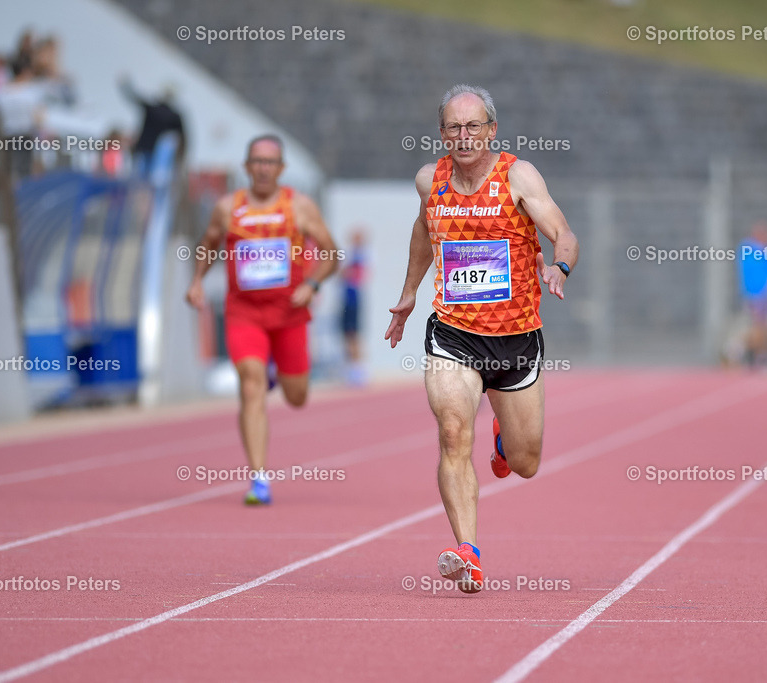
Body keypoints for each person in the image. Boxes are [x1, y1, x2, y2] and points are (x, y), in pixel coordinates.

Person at [385, 84, 579, 593]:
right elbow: (424, 235)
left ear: (492, 129)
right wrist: (408, 295)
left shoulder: (518, 175)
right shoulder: (430, 180)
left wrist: (558, 267)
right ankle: (467, 552)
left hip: (516, 338)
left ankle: (503, 435)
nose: (463, 135)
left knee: (525, 462)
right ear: (442, 132)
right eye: (453, 126)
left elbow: (564, 233)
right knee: (452, 433)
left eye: (473, 126)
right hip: (453, 332)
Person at [186, 134, 339, 505]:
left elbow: (332, 253)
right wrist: (196, 282)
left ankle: (276, 375)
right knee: (250, 385)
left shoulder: (299, 207)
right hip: (245, 313)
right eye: (257, 161)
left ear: (281, 168)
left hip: (289, 314)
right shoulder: (228, 208)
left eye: (270, 162)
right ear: (246, 166)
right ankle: (259, 479)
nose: (263, 168)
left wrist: (313, 284)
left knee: (297, 396)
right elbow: (207, 242)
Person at [739, 221, 767, 368]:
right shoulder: (748, 248)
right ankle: (736, 350)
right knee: (758, 327)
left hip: (765, 293)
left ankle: (761, 357)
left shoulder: (766, 249)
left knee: (764, 328)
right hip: (755, 293)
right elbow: (753, 270)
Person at [340, 227, 368, 386]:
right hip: (347, 295)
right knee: (347, 333)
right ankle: (351, 367)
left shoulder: (359, 255)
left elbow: (346, 273)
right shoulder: (351, 254)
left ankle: (357, 369)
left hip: (353, 296)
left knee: (354, 333)